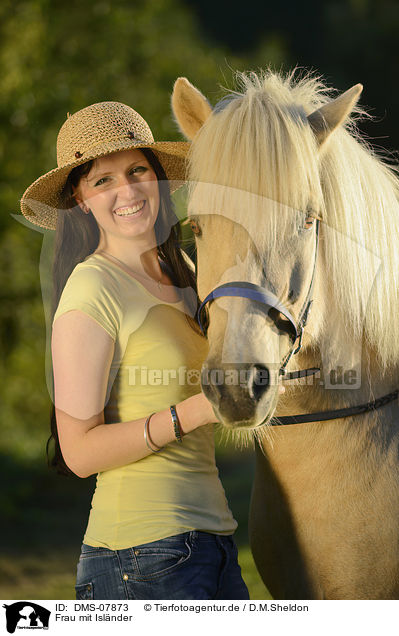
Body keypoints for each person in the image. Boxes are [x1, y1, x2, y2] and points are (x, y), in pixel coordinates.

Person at [20, 101, 250, 600]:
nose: (127, 190)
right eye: (102, 180)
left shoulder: (187, 270)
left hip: (212, 543)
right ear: (81, 199)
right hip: (140, 557)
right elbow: (79, 452)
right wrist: (197, 410)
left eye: (137, 170)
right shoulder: (93, 287)